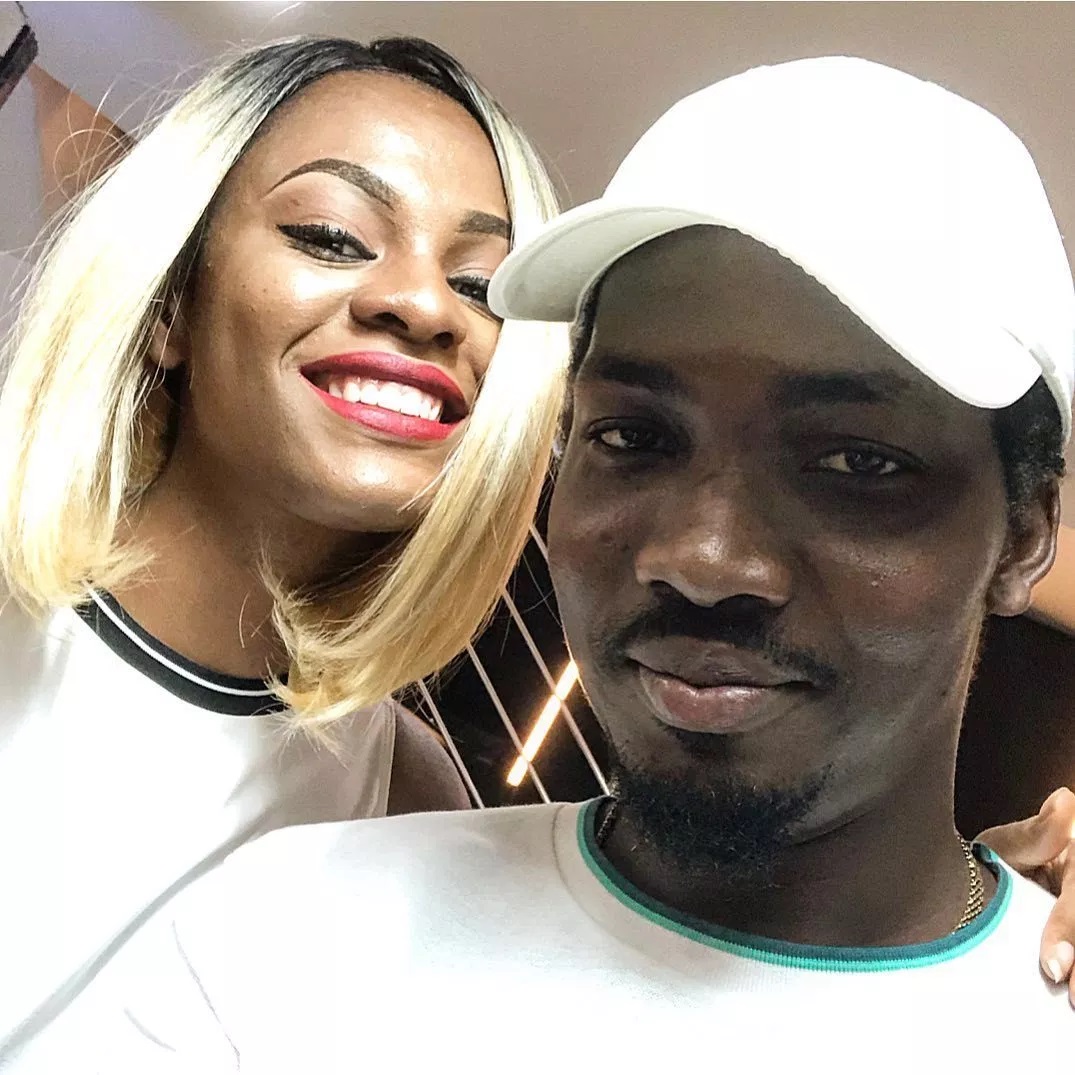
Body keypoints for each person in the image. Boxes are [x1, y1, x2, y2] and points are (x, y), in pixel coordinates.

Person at [17, 56, 1075, 1073]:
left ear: (1026, 532)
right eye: (632, 436)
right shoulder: (275, 939)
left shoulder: (381, 790)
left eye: (857, 462)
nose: (703, 559)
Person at [0, 35, 567, 1052]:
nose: (426, 305)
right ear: (171, 302)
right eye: (331, 235)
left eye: (482, 286)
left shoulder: (405, 801)